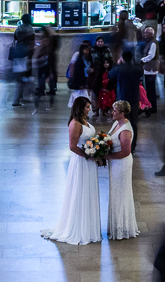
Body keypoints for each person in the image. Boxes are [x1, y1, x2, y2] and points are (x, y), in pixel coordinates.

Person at [42, 97, 102, 245]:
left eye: (89, 107)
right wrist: (90, 156)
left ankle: (89, 227)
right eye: (87, 107)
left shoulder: (84, 121)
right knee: (80, 191)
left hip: (89, 162)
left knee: (89, 191)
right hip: (81, 162)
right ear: (80, 108)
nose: (89, 109)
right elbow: (73, 146)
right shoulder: (75, 124)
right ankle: (79, 228)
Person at [106, 100, 139, 240]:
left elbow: (126, 151)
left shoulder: (125, 130)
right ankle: (116, 225)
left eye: (115, 110)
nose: (112, 112)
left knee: (121, 193)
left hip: (121, 164)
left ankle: (122, 227)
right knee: (115, 192)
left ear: (122, 113)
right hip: (115, 163)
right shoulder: (116, 123)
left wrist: (107, 156)